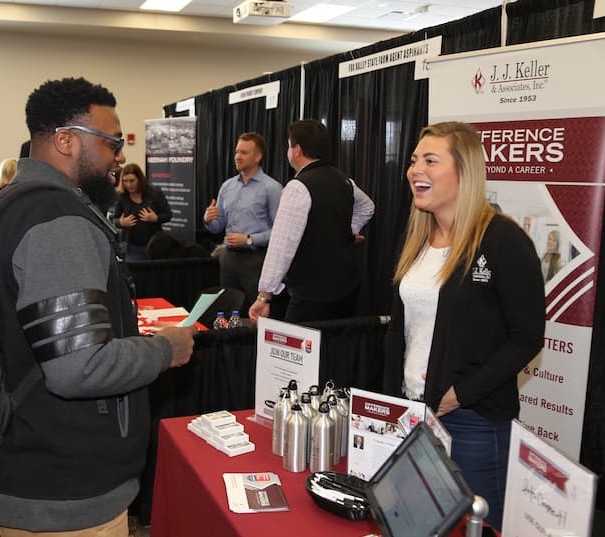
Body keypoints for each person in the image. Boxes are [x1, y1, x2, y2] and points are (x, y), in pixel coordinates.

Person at [0, 77, 196, 536]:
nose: (121, 155)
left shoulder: (9, 205)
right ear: (66, 140)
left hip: (26, 460)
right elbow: (78, 369)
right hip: (63, 491)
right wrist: (164, 349)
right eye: (111, 142)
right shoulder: (59, 224)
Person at [382, 121, 545, 531]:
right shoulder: (418, 238)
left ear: (464, 172)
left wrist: (459, 394)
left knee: (475, 530)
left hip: (472, 421)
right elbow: (401, 333)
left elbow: (526, 337)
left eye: (430, 161)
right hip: (414, 412)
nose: (415, 169)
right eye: (414, 160)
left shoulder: (503, 241)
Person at [249, 120, 375, 323]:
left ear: (296, 149)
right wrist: (348, 230)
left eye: (289, 145)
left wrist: (265, 295)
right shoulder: (343, 179)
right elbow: (368, 207)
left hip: (310, 294)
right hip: (345, 288)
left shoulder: (298, 187)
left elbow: (281, 246)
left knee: (300, 350)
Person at [204, 132, 282, 316]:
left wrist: (248, 239)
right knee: (228, 313)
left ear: (258, 156)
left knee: (257, 317)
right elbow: (218, 226)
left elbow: (280, 233)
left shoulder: (272, 188)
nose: (238, 156)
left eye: (244, 152)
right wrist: (208, 219)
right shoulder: (227, 186)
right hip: (228, 259)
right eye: (237, 152)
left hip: (256, 261)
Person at [113, 163, 172, 261]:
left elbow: (168, 215)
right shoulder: (121, 196)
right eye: (125, 181)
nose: (128, 184)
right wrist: (121, 222)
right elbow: (114, 220)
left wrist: (156, 218)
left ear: (139, 179)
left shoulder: (155, 192)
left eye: (132, 181)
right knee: (135, 275)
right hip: (132, 247)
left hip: (155, 246)